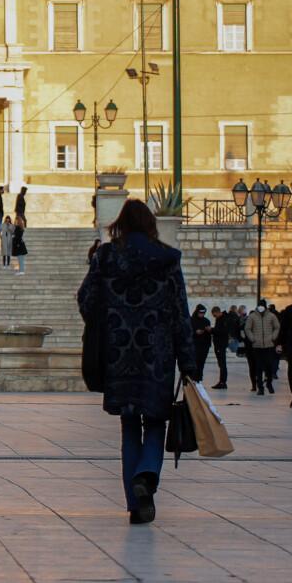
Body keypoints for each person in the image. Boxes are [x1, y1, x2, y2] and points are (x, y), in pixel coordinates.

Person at [78, 200, 197, 524]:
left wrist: (109, 319)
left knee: (129, 425)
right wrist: (189, 362)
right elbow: (180, 314)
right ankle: (146, 475)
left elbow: (86, 302)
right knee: (156, 421)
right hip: (156, 354)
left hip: (118, 354)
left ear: (121, 224)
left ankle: (135, 503)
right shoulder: (168, 259)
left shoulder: (106, 257)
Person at [245, 299, 281, 395]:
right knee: (259, 367)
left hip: (269, 345)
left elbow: (277, 327)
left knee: (269, 366)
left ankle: (269, 383)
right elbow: (247, 328)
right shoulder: (252, 317)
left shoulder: (271, 316)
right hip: (257, 346)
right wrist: (253, 338)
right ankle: (260, 387)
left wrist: (273, 337)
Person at [191, 303, 219, 390]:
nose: (201, 315)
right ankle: (193, 378)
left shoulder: (206, 321)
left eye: (203, 313)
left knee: (201, 363)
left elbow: (209, 333)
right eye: (200, 313)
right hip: (194, 345)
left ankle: (199, 378)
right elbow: (188, 332)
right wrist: (195, 332)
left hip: (204, 345)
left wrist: (208, 330)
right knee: (194, 362)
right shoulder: (191, 320)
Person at [209, 305, 232, 390]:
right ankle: (222, 381)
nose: (214, 316)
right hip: (219, 344)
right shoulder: (220, 319)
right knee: (221, 364)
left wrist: (212, 330)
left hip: (221, 344)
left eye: (214, 315)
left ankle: (223, 382)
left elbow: (222, 331)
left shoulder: (224, 319)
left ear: (217, 312)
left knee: (222, 364)